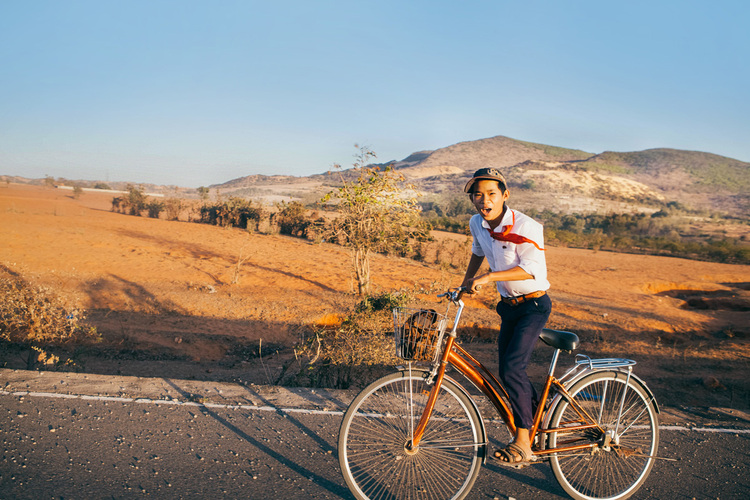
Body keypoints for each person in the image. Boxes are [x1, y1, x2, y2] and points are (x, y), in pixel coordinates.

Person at [459, 167, 551, 466]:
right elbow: (477, 251)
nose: (483, 200)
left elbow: (531, 269)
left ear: (504, 196)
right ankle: (540, 417)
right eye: (477, 194)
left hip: (533, 306)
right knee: (507, 371)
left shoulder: (527, 226)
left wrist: (488, 277)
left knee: (513, 368)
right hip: (508, 305)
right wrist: (465, 283)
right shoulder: (477, 222)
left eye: (491, 194)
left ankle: (523, 443)